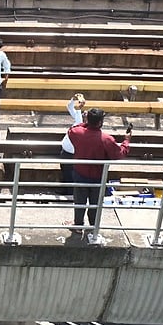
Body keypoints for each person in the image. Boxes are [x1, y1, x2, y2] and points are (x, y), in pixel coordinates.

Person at [67, 108, 131, 242]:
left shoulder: (77, 133)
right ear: (101, 122)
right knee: (95, 203)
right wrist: (126, 141)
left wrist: (85, 122)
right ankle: (93, 226)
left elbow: (71, 130)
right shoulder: (106, 139)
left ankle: (78, 225)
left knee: (79, 201)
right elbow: (119, 154)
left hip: (80, 173)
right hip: (97, 176)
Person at [58, 93, 87, 194]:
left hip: (72, 154)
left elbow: (79, 120)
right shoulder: (79, 119)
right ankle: (66, 189)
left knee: (70, 174)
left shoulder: (82, 125)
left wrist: (79, 108)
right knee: (65, 172)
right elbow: (69, 107)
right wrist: (73, 99)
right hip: (65, 151)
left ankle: (70, 192)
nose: (85, 114)